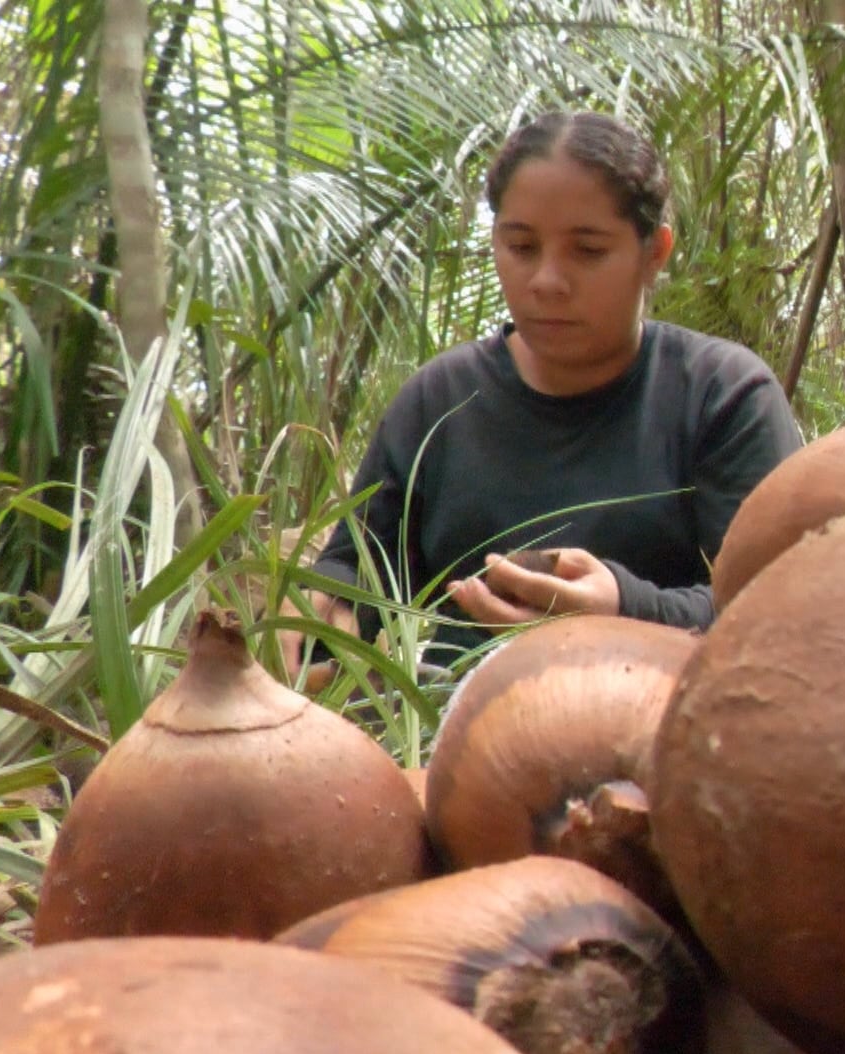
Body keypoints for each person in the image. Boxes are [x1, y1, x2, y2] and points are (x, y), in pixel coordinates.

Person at [279, 111, 803, 676]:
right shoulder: (441, 402)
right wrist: (314, 623)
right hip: (447, 735)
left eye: (588, 251)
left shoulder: (723, 398)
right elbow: (355, 573)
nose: (547, 281)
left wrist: (624, 610)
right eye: (522, 247)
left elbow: (784, 608)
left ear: (655, 253)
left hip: (673, 735)